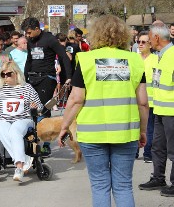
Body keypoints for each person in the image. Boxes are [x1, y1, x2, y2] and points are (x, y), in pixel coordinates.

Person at [58, 15, 148, 207]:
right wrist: (143, 130)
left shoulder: (87, 60)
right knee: (123, 186)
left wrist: (64, 126)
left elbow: (75, 100)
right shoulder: (134, 60)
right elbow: (143, 103)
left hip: (92, 134)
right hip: (126, 132)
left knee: (100, 186)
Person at [21, 17, 72, 156]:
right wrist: (25, 79)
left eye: (29, 32)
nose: (27, 35)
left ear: (37, 29)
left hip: (47, 78)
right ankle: (33, 142)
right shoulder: (31, 42)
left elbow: (64, 57)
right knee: (31, 110)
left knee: (43, 109)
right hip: (33, 78)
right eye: (26, 33)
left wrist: (68, 77)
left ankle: (46, 144)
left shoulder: (50, 39)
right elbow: (29, 60)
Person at [139, 21, 174, 197]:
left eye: (149, 38)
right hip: (159, 110)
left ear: (156, 37)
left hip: (171, 113)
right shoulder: (161, 55)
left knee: (173, 149)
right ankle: (158, 177)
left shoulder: (172, 55)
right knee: (158, 147)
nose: (147, 42)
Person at [0, 61, 43, 182]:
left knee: (15, 129)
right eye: (3, 75)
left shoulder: (26, 88)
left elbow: (40, 107)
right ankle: (25, 160)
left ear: (16, 74)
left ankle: (19, 167)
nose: (6, 77)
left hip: (24, 119)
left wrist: (35, 107)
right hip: (5, 120)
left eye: (9, 74)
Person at [137, 31, 158, 163]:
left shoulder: (156, 59)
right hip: (134, 100)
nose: (140, 44)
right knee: (134, 127)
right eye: (138, 42)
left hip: (150, 100)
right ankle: (133, 152)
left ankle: (147, 153)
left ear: (150, 44)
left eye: (143, 42)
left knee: (148, 129)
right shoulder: (133, 59)